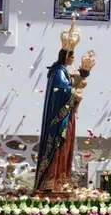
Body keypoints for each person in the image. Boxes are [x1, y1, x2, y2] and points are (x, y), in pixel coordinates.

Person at [34, 19, 92, 192]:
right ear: (66, 57)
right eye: (72, 56)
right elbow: (63, 91)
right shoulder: (58, 71)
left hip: (67, 115)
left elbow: (73, 83)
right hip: (60, 118)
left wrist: (83, 74)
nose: (73, 59)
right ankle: (52, 181)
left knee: (65, 148)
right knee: (58, 147)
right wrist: (75, 93)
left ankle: (62, 179)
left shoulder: (63, 71)